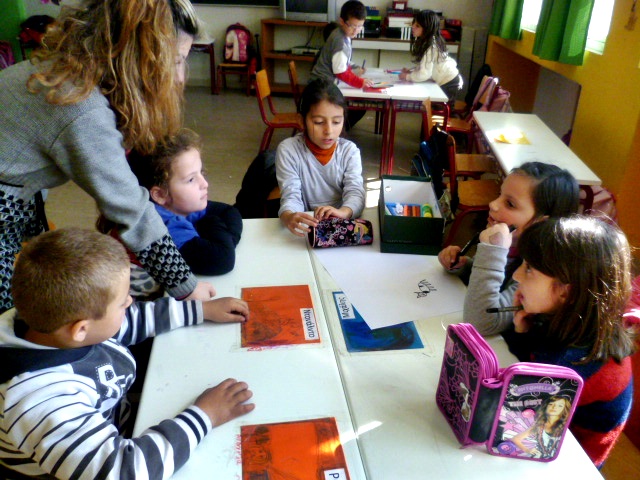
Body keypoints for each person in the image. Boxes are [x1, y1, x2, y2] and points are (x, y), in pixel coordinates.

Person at [0, 0, 214, 315]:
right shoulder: (81, 107)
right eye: (176, 61)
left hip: (15, 197)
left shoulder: (76, 71)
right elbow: (130, 209)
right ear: (138, 57)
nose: (180, 77)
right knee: (7, 322)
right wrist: (187, 288)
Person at [0, 228, 255, 479]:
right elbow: (125, 471)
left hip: (108, 421)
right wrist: (205, 415)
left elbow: (130, 320)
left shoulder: (52, 325)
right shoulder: (40, 401)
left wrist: (201, 310)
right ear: (81, 329)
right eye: (123, 302)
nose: (131, 301)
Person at [502, 216, 636, 468]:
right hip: (549, 432)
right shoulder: (571, 320)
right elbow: (527, 364)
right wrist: (521, 332)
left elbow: (519, 426)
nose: (517, 276)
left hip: (569, 462)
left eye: (529, 269)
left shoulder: (572, 362)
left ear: (566, 291)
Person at [437, 162, 580, 335]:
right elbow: (490, 283)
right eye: (499, 195)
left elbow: (480, 321)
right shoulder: (513, 244)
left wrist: (492, 252)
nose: (493, 204)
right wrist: (463, 266)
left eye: (510, 204)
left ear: (540, 223)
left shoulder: (537, 272)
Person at [127, 128, 242, 282]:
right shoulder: (164, 229)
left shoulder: (178, 206)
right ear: (160, 195)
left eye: (201, 172)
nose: (205, 183)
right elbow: (223, 260)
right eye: (191, 179)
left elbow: (229, 212)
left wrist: (225, 241)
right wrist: (210, 222)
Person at [276, 78, 366, 237]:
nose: (329, 131)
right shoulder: (289, 150)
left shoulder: (349, 152)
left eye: (336, 122)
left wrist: (343, 212)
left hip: (342, 228)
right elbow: (291, 194)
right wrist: (289, 215)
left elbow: (356, 192)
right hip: (307, 228)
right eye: (318, 122)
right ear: (301, 121)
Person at [309, 0, 373, 130]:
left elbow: (343, 64)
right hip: (321, 88)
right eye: (352, 26)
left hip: (323, 83)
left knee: (357, 105)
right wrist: (360, 82)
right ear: (342, 21)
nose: (356, 30)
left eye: (360, 26)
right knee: (359, 107)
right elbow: (341, 72)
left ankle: (338, 130)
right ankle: (338, 131)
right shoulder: (340, 41)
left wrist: (355, 72)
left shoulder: (342, 34)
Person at [399, 10, 463, 107]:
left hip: (449, 82)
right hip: (449, 79)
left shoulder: (431, 46)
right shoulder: (429, 42)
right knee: (431, 110)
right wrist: (412, 71)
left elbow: (424, 74)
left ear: (427, 29)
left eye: (417, 26)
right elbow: (426, 65)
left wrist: (407, 76)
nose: (413, 27)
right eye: (413, 23)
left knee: (436, 112)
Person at [508, 396, 572, 459]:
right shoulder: (539, 426)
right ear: (546, 406)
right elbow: (515, 439)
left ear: (564, 409)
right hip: (539, 458)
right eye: (551, 404)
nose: (554, 407)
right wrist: (527, 450)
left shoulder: (566, 426)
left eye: (560, 406)